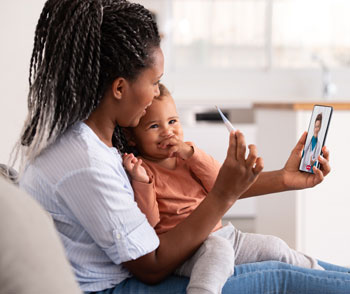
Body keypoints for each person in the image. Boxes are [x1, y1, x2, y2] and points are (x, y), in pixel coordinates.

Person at [13, 0, 350, 293]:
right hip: (116, 286)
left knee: (293, 260)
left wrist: (283, 179)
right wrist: (222, 196)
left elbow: (205, 184)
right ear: (119, 88)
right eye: (154, 83)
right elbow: (152, 264)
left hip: (163, 261)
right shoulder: (85, 160)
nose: (155, 98)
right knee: (280, 278)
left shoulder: (99, 139)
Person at [122, 83, 324, 294]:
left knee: (275, 246)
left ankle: (325, 276)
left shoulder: (188, 157)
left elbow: (219, 181)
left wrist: (191, 153)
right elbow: (150, 222)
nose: (167, 132)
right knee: (218, 252)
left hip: (223, 234)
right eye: (154, 126)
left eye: (172, 121)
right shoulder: (141, 170)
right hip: (185, 251)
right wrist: (141, 182)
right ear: (131, 137)